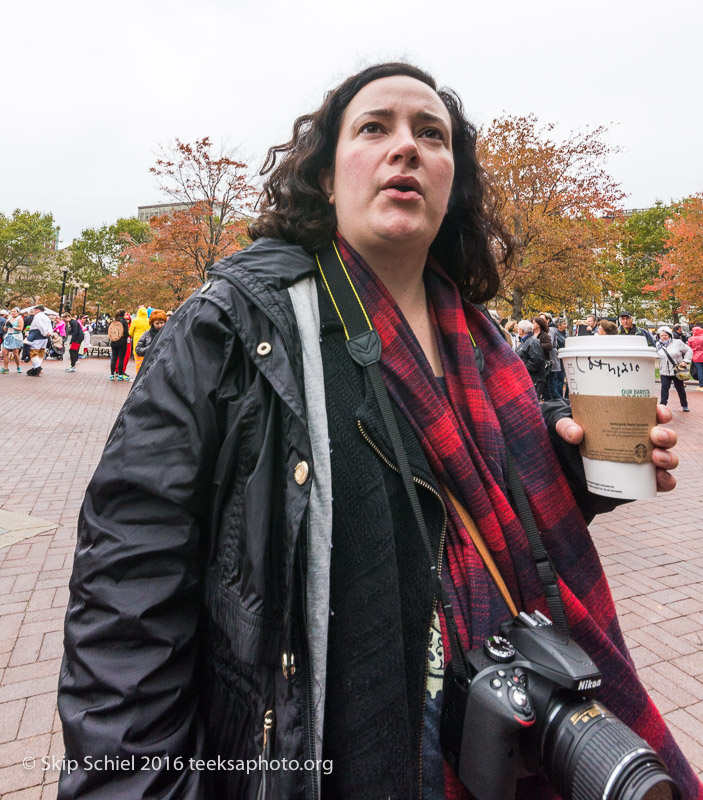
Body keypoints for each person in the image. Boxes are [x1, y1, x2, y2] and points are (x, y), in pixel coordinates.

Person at [58, 62, 697, 800]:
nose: (406, 147)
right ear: (326, 178)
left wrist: (571, 463)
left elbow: (477, 511)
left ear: (452, 182)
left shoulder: (480, 337)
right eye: (374, 128)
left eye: (431, 134)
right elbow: (126, 586)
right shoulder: (233, 326)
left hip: (497, 736)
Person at [656, 326, 693, 412]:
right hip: (664, 371)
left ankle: (684, 404)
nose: (663, 337)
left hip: (677, 370)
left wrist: (685, 361)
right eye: (661, 335)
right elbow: (656, 355)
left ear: (669, 335)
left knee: (680, 388)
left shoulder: (678, 343)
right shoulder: (658, 345)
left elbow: (689, 350)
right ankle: (663, 405)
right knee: (664, 388)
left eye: (665, 335)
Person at [516, 318, 548, 397]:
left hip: (534, 378)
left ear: (521, 331)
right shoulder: (527, 341)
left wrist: (523, 369)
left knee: (532, 401)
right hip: (530, 377)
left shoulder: (532, 342)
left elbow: (537, 360)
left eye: (518, 329)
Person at [25, 304, 53, 376]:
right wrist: (49, 333)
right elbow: (50, 326)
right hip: (45, 337)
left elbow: (40, 326)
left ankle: (37, 367)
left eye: (35, 309)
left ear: (38, 310)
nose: (34, 311)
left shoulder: (37, 316)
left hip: (37, 335)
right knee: (41, 352)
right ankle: (36, 368)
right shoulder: (46, 317)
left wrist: (44, 333)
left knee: (34, 352)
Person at [108, 309, 130, 381]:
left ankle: (112, 375)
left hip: (114, 342)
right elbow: (126, 333)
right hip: (122, 342)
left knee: (114, 358)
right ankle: (120, 375)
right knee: (121, 358)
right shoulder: (124, 322)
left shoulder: (114, 321)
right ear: (123, 314)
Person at [1, 307, 25, 373]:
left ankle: (18, 366)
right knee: (4, 352)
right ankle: (5, 368)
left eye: (14, 311)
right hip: (8, 336)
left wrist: (13, 326)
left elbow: (21, 329)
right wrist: (6, 326)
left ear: (18, 312)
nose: (13, 312)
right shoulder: (9, 318)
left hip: (16, 336)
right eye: (12, 311)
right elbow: (4, 329)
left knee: (15, 353)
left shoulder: (19, 319)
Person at [129, 306, 150, 373]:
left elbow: (130, 332)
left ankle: (138, 375)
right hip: (147, 342)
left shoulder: (135, 321)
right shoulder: (149, 320)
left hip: (137, 341)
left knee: (138, 361)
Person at [688, 325, 703, 391]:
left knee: (700, 370)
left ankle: (701, 385)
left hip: (696, 356)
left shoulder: (691, 339)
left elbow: (688, 348)